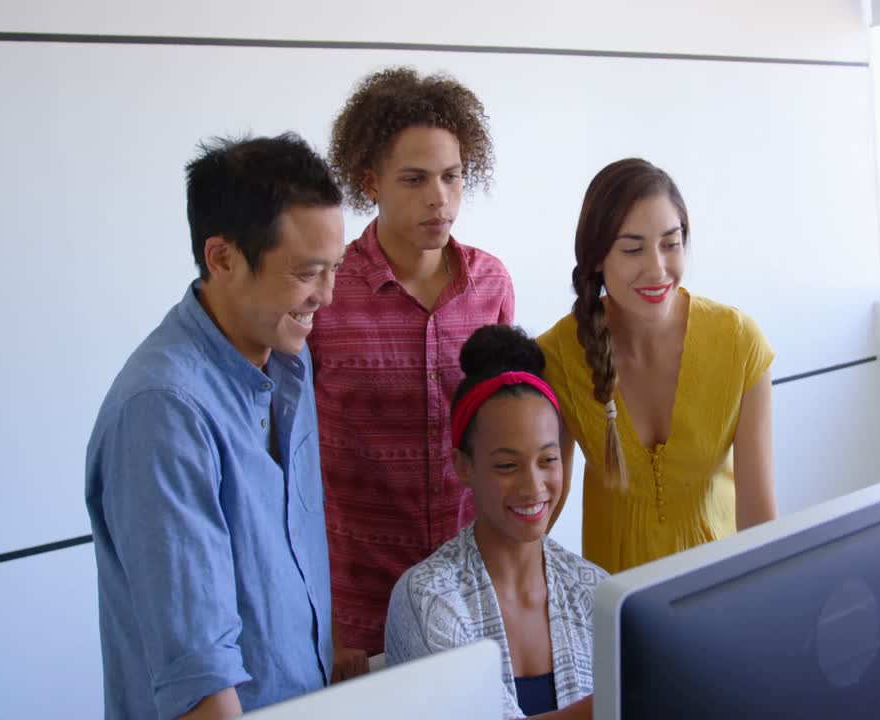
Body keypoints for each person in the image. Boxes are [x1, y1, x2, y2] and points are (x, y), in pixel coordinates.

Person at [85, 134, 344, 719]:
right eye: (307, 272)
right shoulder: (164, 411)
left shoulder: (289, 357)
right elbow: (200, 682)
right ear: (222, 258)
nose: (326, 296)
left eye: (335, 269)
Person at [309, 66, 515, 664]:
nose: (439, 198)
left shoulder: (490, 283)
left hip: (472, 587)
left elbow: (504, 431)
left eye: (452, 176)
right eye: (415, 179)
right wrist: (331, 621)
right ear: (370, 180)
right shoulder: (327, 292)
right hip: (358, 602)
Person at [537, 158, 778, 574]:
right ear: (596, 258)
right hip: (616, 598)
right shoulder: (557, 356)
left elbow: (758, 518)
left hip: (719, 588)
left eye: (671, 244)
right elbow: (541, 508)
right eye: (633, 249)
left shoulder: (739, 342)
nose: (657, 269)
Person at [385, 324, 604, 719]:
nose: (533, 487)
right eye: (507, 465)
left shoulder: (594, 591)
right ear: (463, 466)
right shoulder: (427, 598)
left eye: (548, 460)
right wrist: (617, 702)